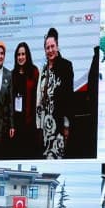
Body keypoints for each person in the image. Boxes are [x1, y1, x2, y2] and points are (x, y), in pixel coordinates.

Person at [39, 28, 75, 158]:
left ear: (57, 46)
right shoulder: (44, 70)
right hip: (45, 124)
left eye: (52, 46)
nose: (50, 50)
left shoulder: (66, 66)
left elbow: (69, 98)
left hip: (59, 124)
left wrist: (66, 125)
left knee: (57, 156)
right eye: (47, 48)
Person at [8, 41, 40, 158]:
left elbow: (37, 97)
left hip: (30, 123)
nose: (21, 57)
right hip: (16, 124)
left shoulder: (34, 72)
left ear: (27, 55)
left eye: (23, 54)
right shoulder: (12, 74)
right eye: (18, 54)